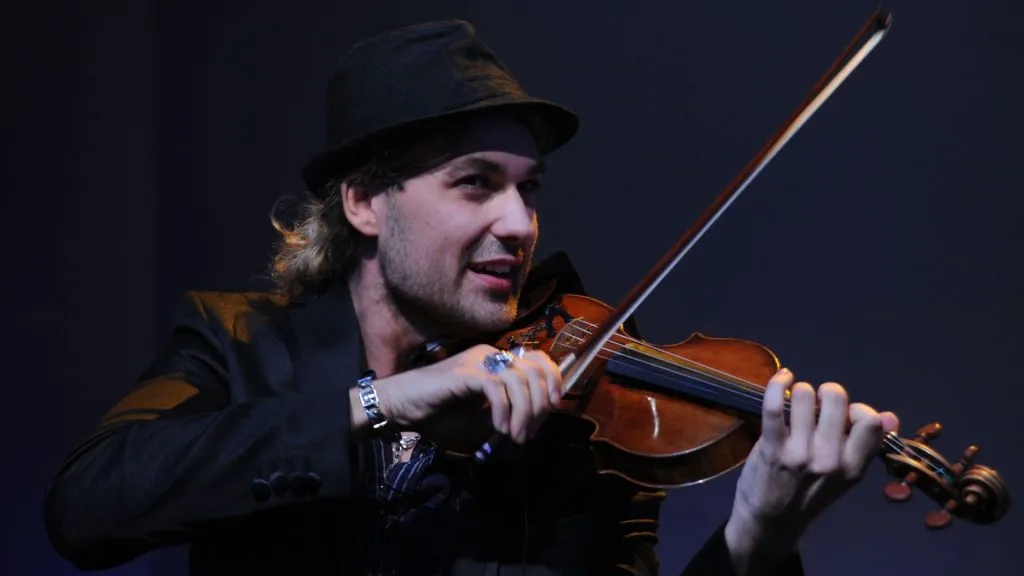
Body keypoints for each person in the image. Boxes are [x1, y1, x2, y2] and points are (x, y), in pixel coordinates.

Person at [43, 19, 899, 575]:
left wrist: (758, 535)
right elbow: (85, 509)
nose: (520, 223)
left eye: (528, 189)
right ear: (364, 201)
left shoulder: (584, 414)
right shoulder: (238, 343)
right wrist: (381, 403)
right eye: (475, 183)